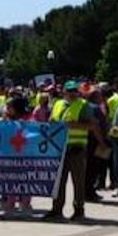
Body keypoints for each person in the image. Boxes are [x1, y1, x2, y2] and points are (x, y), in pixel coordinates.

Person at [45, 81, 97, 221]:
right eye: (70, 91)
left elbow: (92, 125)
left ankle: (79, 210)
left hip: (77, 148)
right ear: (64, 92)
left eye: (75, 91)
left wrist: (74, 125)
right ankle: (56, 209)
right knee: (58, 181)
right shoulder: (58, 104)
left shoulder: (83, 105)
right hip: (59, 149)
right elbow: (52, 120)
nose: (72, 93)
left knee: (78, 181)